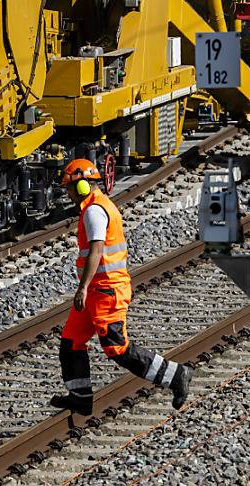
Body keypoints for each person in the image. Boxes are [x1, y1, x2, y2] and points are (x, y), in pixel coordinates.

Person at [50, 159, 192, 416]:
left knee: (117, 348)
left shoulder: (95, 210)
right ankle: (80, 398)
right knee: (71, 341)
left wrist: (81, 288)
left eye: (69, 188)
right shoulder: (94, 207)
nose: (68, 194)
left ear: (82, 185)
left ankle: (176, 375)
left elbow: (96, 249)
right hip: (95, 291)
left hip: (106, 291)